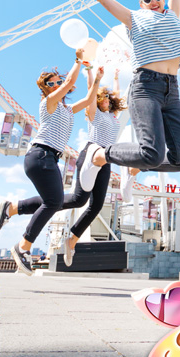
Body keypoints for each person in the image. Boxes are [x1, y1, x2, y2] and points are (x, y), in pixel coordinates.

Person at [56, 0, 180, 189]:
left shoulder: (172, 14)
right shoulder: (134, 19)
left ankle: (135, 166)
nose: (154, 0)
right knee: (152, 151)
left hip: (171, 91)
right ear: (141, 3)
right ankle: (99, 155)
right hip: (146, 88)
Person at [0, 51, 96, 276]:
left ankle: (13, 208)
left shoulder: (67, 109)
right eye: (53, 82)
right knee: (54, 201)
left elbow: (89, 100)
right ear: (47, 88)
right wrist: (78, 61)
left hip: (50, 158)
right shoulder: (48, 102)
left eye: (58, 81)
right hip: (40, 155)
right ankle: (23, 247)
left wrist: (94, 76)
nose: (58, 83)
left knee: (53, 200)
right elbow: (69, 81)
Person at [61, 67, 127, 267]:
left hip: (105, 159)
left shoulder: (113, 115)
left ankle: (72, 239)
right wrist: (93, 74)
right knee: (79, 200)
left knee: (96, 205)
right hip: (91, 154)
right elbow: (91, 90)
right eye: (103, 97)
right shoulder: (94, 114)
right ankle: (48, 203)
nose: (107, 99)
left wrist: (115, 77)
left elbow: (116, 93)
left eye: (108, 97)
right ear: (98, 101)